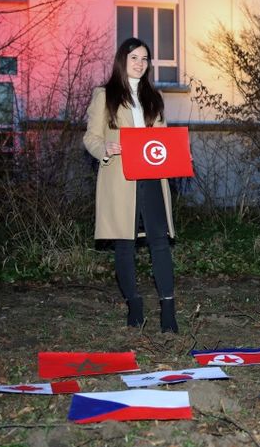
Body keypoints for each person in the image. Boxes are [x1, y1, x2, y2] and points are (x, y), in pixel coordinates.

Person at [83, 38, 179, 333]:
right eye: (134, 57)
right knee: (125, 243)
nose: (140, 63)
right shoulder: (105, 95)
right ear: (122, 60)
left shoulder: (154, 97)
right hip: (121, 179)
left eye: (145, 58)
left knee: (159, 242)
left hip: (152, 177)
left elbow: (161, 140)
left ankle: (168, 309)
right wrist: (105, 149)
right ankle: (134, 304)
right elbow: (91, 138)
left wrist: (177, 154)